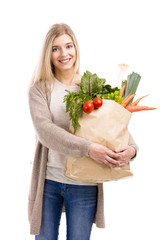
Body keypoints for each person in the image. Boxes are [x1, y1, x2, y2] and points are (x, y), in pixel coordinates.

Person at [28, 23, 138, 240]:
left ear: (76, 48)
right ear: (48, 54)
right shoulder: (39, 89)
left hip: (83, 185)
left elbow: (113, 125)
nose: (64, 54)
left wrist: (132, 150)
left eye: (68, 46)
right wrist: (88, 149)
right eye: (55, 48)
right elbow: (45, 131)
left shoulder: (91, 87)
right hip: (49, 182)